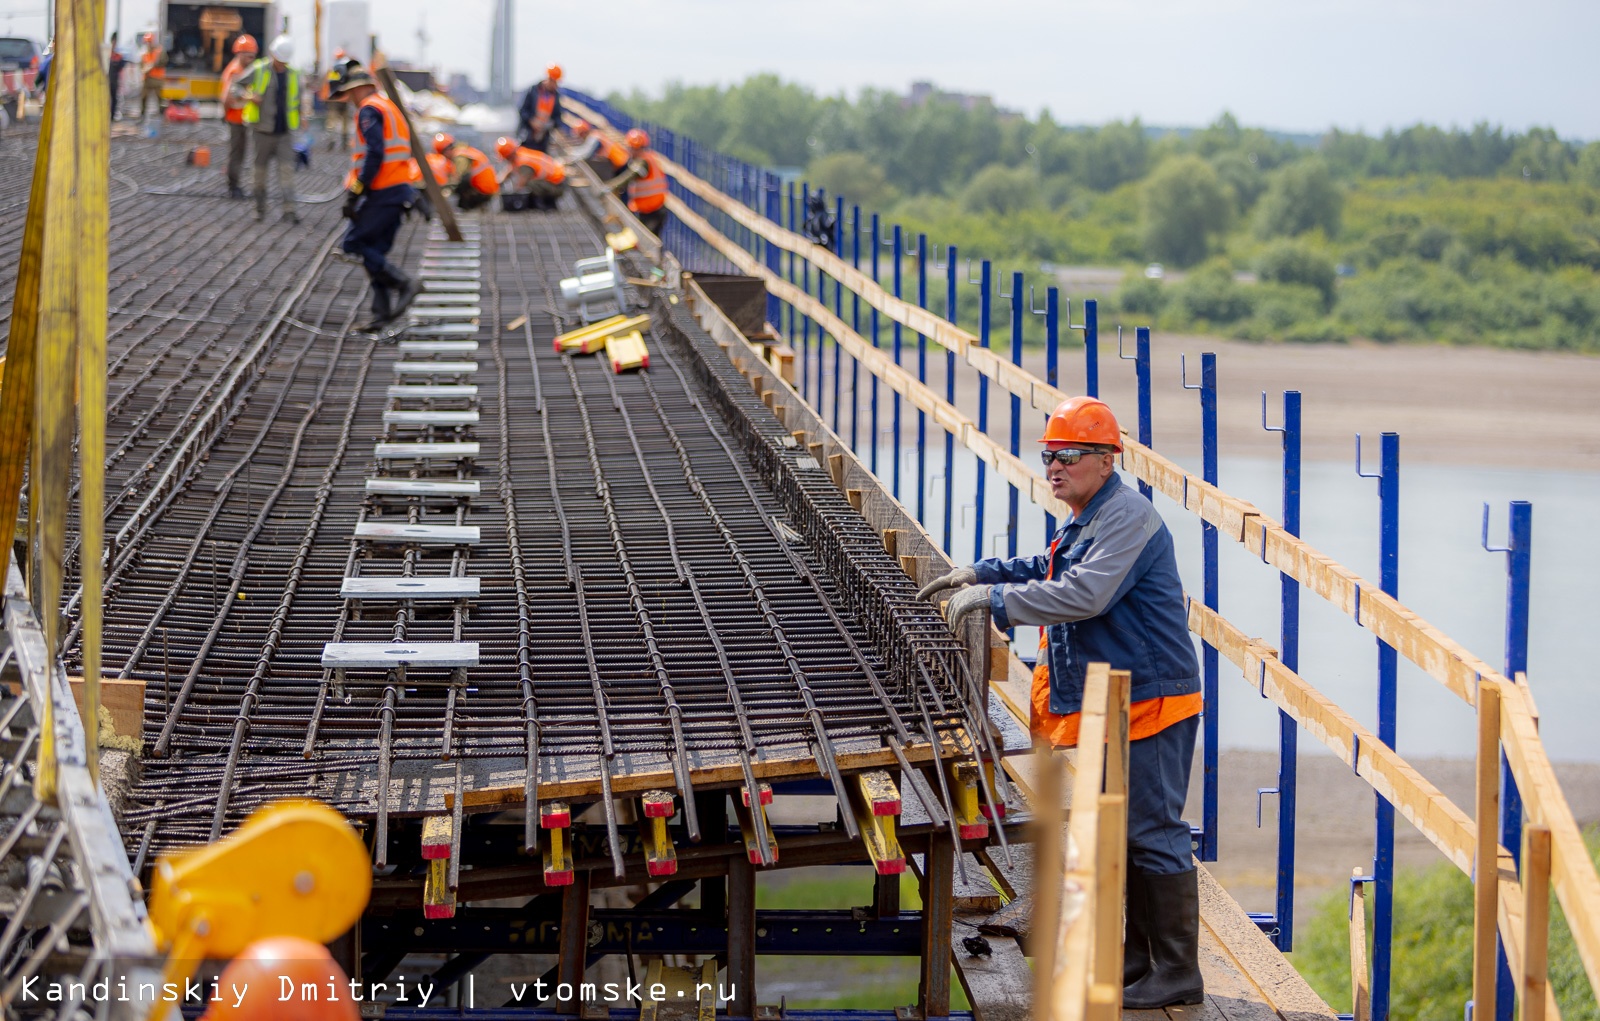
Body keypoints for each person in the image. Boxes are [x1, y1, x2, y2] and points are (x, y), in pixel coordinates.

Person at [917, 396, 1204, 1011]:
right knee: (1122, 831)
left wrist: (995, 604)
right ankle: (1136, 956)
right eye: (1048, 457)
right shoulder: (1090, 515)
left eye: (1068, 457)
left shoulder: (1127, 516)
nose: (1054, 468)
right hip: (1114, 699)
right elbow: (1050, 564)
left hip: (1152, 698)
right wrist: (982, 574)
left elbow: (1087, 593)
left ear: (1105, 460)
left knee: (1153, 830)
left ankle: (1178, 969)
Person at [327, 59, 423, 330]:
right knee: (374, 253)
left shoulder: (369, 110)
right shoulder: (388, 106)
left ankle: (405, 283)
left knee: (354, 244)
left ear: (354, 88)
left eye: (346, 94)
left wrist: (356, 193)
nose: (346, 101)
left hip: (384, 190)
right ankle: (380, 314)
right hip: (398, 188)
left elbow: (375, 153)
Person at [241, 35, 302, 223]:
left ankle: (289, 210)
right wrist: (249, 96)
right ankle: (259, 209)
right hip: (262, 131)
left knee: (287, 172)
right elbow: (236, 85)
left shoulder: (293, 74)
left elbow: (297, 100)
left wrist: (302, 117)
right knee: (259, 173)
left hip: (284, 132)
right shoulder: (259, 69)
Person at [606, 128, 667, 235]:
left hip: (651, 211)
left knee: (647, 243)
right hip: (653, 208)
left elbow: (628, 177)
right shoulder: (650, 157)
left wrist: (610, 186)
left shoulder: (642, 162)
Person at [219, 34, 257, 199]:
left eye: (252, 56)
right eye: (248, 56)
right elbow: (227, 97)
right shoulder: (235, 71)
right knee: (236, 153)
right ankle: (233, 187)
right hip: (235, 119)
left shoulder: (242, 69)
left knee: (240, 152)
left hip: (241, 118)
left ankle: (235, 185)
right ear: (239, 53)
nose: (250, 59)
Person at [495, 135, 566, 209]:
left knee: (530, 183)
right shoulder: (519, 154)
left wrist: (513, 196)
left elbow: (521, 183)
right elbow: (509, 170)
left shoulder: (524, 164)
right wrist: (498, 182)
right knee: (531, 183)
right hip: (556, 182)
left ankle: (545, 203)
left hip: (557, 186)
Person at [433, 132, 497, 210]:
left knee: (457, 191)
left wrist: (448, 191)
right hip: (488, 190)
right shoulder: (465, 151)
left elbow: (463, 179)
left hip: (481, 192)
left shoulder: (460, 157)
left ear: (446, 151)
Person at [515, 63, 562, 152]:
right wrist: (532, 121)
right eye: (553, 81)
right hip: (527, 137)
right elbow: (522, 110)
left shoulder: (555, 97)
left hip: (542, 140)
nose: (554, 85)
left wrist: (548, 124)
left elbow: (558, 118)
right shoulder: (533, 91)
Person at [322, 47, 351, 151]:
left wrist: (325, 98)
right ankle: (340, 144)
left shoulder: (332, 70)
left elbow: (326, 85)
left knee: (334, 124)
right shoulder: (345, 71)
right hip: (340, 100)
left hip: (336, 101)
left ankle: (334, 143)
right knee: (340, 124)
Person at [138, 32, 166, 120]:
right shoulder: (144, 54)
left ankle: (161, 115)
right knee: (144, 97)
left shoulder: (159, 52)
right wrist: (145, 68)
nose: (148, 44)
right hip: (147, 80)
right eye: (147, 42)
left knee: (160, 98)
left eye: (149, 42)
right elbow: (141, 65)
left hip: (157, 79)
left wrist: (154, 64)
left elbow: (163, 62)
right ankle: (142, 115)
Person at [107, 33, 127, 121]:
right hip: (106, 81)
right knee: (107, 99)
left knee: (114, 98)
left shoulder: (118, 56)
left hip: (114, 81)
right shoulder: (107, 54)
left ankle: (112, 116)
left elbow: (121, 65)